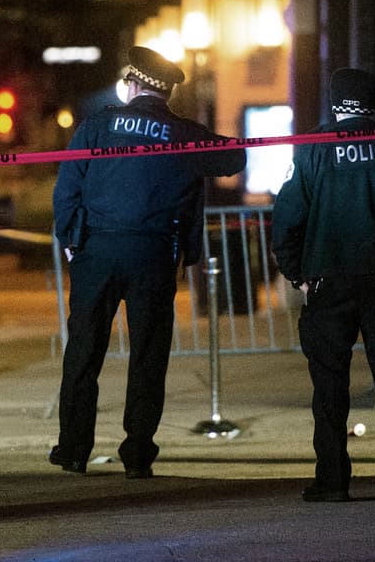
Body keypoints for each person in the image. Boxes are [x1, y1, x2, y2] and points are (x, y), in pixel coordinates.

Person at [49, 45, 246, 478]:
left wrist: (71, 241)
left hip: (97, 252)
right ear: (166, 92)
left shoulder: (98, 126)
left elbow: (66, 188)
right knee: (148, 357)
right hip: (153, 256)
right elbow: (235, 156)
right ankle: (137, 454)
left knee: (83, 354)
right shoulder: (181, 134)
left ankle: (74, 449)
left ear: (132, 84)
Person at [271, 68, 375, 503]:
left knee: (329, 385)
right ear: (373, 101)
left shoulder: (312, 150)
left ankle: (333, 480)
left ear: (333, 101)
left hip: (329, 282)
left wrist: (296, 274)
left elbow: (286, 218)